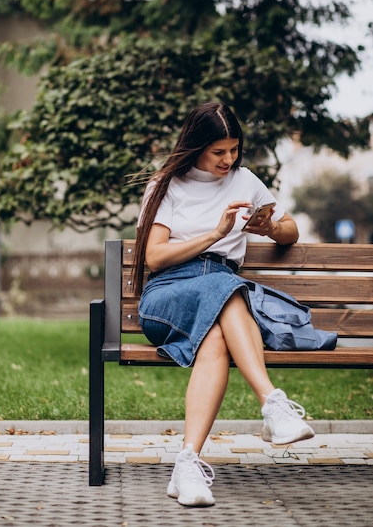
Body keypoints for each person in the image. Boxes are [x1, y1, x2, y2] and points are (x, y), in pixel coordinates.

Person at [133, 101, 315, 507]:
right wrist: (216, 234)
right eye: (219, 152)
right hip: (168, 295)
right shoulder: (166, 185)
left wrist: (269, 227)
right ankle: (272, 403)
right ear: (196, 146)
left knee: (216, 335)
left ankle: (188, 463)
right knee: (229, 288)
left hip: (220, 291)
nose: (228, 159)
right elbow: (155, 258)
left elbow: (291, 232)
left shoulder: (245, 180)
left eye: (234, 149)